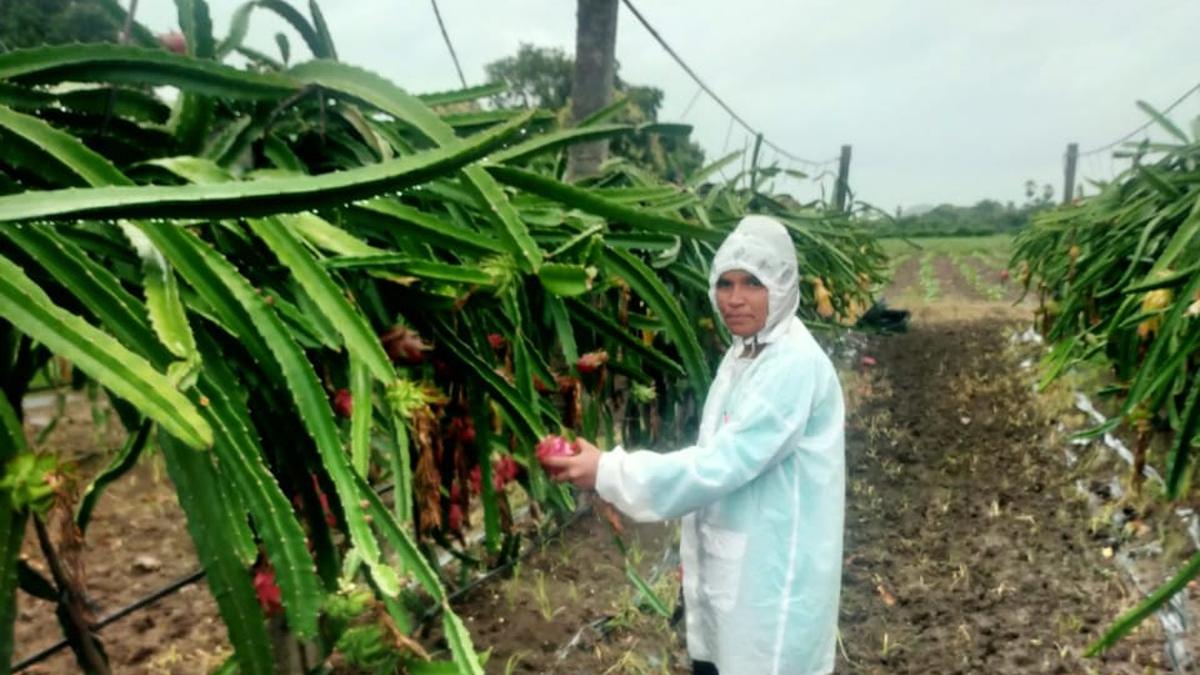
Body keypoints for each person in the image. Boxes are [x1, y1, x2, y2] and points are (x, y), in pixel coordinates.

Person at [542, 215, 846, 675]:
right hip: (740, 573)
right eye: (725, 283)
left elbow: (721, 464)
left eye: (752, 284)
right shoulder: (743, 353)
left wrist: (609, 470)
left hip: (773, 586)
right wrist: (695, 557)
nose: (735, 299)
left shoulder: (793, 366)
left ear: (782, 288)